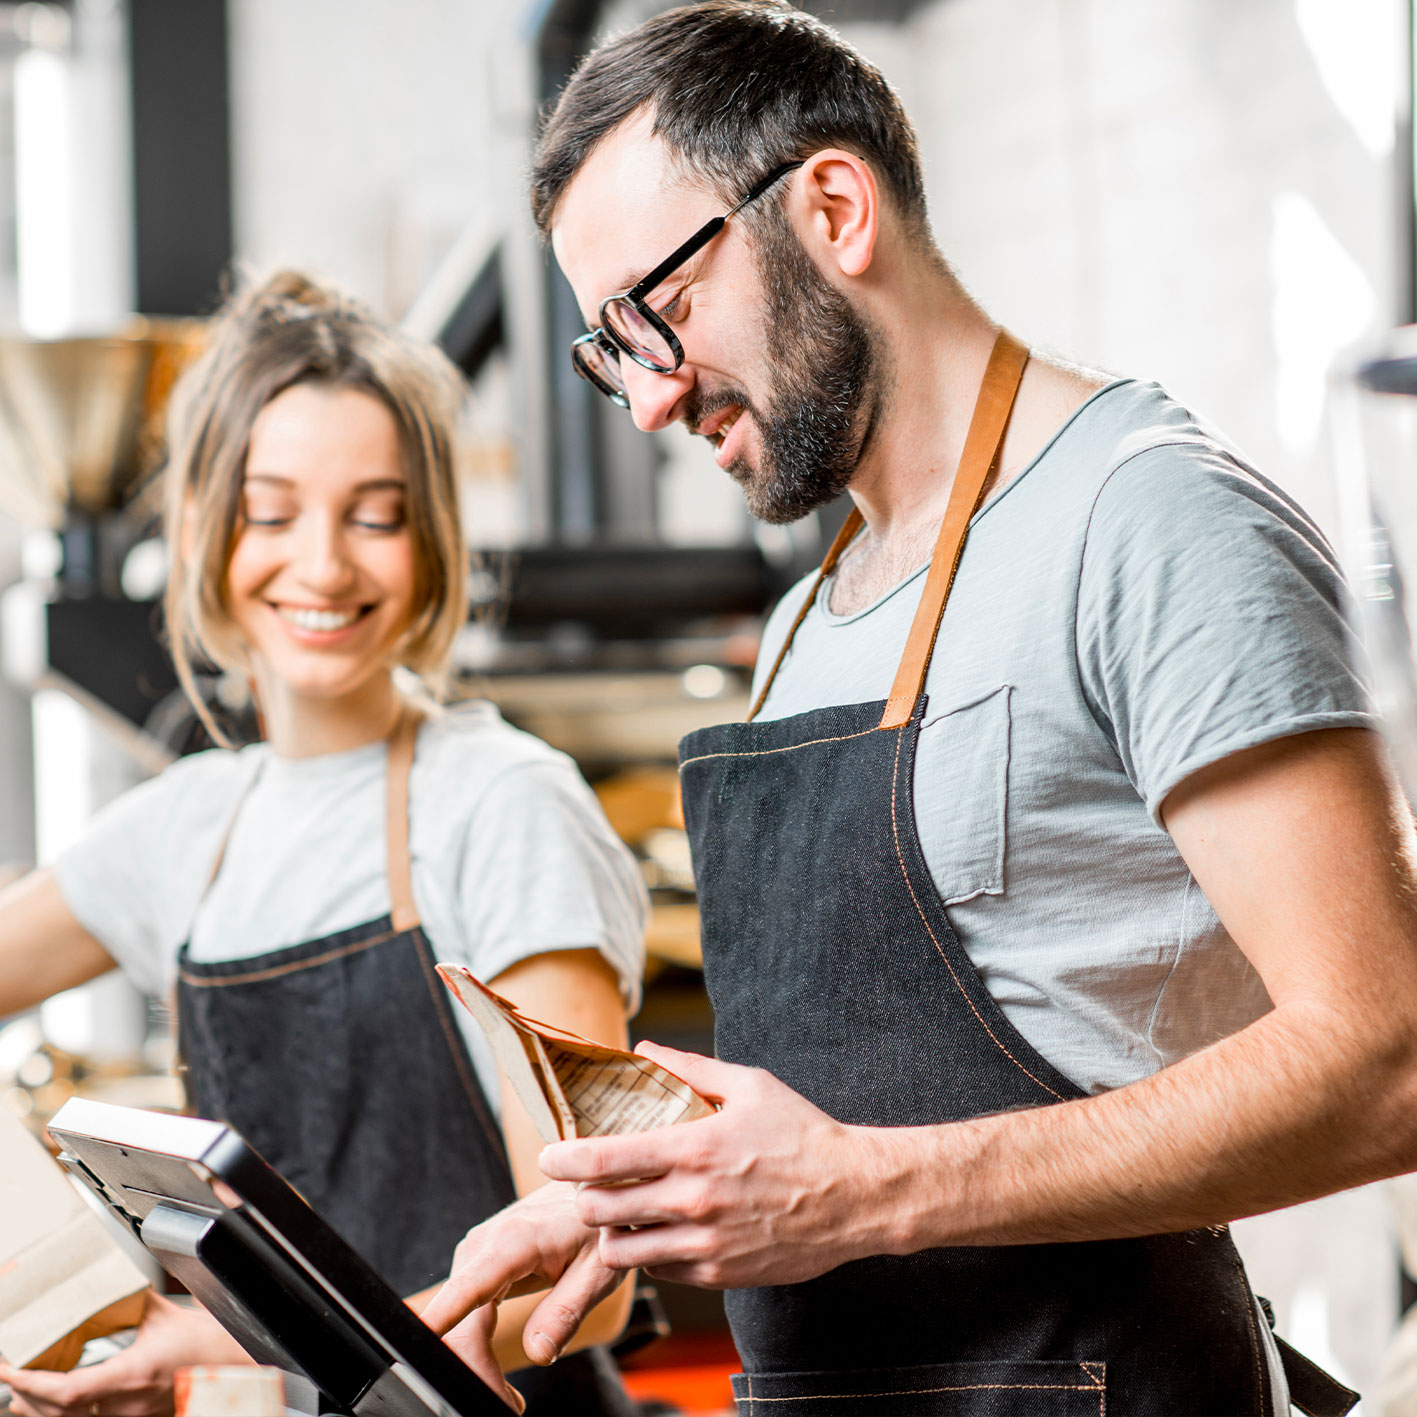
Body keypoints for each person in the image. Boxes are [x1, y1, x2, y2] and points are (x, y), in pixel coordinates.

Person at [421, 3, 1417, 1413]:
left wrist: (863, 1191)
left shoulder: (1147, 520)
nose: (647, 399)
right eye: (608, 349)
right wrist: (644, 1202)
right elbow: (844, 1117)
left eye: (661, 311)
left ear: (831, 208)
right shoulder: (797, 628)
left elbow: (1390, 1057)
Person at [0, 272, 645, 1417]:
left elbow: (584, 1285)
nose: (325, 563)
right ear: (205, 527)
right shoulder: (187, 826)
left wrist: (211, 1347)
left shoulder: (499, 805)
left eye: (376, 513)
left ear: (431, 538)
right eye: (272, 508)